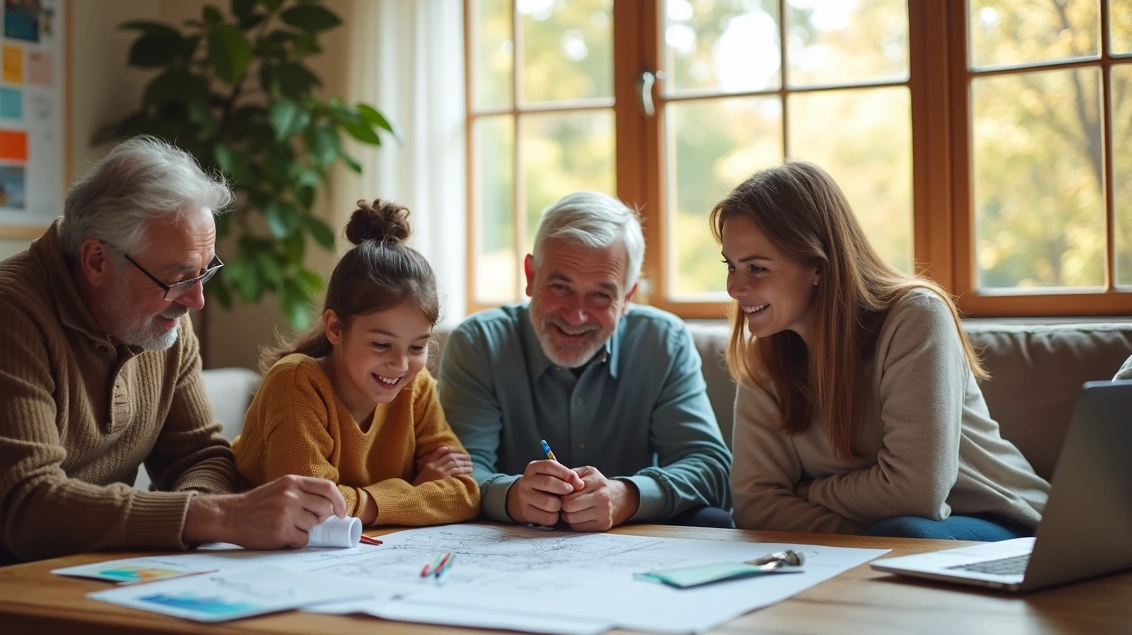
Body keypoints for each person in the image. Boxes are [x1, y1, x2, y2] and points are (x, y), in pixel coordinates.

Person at [0, 136, 345, 580]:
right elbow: (29, 507)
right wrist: (223, 517)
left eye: (204, 272)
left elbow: (200, 456)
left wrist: (201, 517)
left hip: (80, 561)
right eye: (179, 277)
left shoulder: (162, 320)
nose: (196, 299)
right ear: (97, 261)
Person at [715, 161, 1051, 541]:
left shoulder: (915, 317)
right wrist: (863, 540)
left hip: (1002, 521)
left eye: (757, 268)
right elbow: (755, 505)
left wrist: (813, 492)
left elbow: (916, 491)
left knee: (905, 532)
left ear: (817, 266)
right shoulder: (764, 352)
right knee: (896, 535)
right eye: (731, 266)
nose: (735, 288)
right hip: (890, 533)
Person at [441, 191, 733, 532]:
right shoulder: (479, 344)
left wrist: (627, 496)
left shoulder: (663, 343)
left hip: (633, 541)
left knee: (715, 521)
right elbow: (459, 472)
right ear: (531, 276)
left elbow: (711, 468)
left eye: (600, 294)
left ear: (626, 297)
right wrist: (512, 496)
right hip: (513, 543)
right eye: (560, 286)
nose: (576, 315)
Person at [233, 200, 480, 527]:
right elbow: (310, 508)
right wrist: (415, 491)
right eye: (381, 344)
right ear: (335, 328)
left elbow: (464, 493)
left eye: (418, 346)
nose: (400, 364)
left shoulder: (416, 388)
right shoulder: (296, 382)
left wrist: (361, 503)